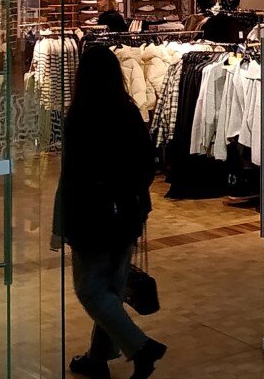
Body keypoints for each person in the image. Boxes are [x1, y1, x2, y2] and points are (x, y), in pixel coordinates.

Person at [52, 44, 167, 379]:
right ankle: (98, 357)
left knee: (90, 289)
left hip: (93, 216)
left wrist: (63, 221)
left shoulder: (80, 117)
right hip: (127, 212)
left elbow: (72, 176)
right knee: (111, 288)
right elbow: (147, 164)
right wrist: (130, 194)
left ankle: (141, 347)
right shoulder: (128, 111)